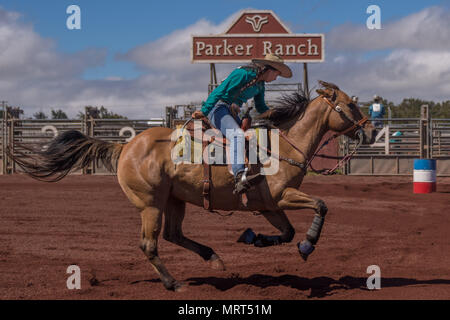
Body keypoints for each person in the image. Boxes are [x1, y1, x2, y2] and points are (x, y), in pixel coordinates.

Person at [191, 53, 292, 194]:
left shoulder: (260, 85)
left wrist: (278, 117)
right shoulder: (242, 74)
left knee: (251, 136)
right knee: (238, 135)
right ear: (269, 69)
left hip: (231, 112)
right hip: (218, 108)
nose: (276, 78)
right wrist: (204, 110)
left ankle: (251, 172)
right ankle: (239, 177)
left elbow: (261, 107)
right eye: (276, 74)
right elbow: (219, 91)